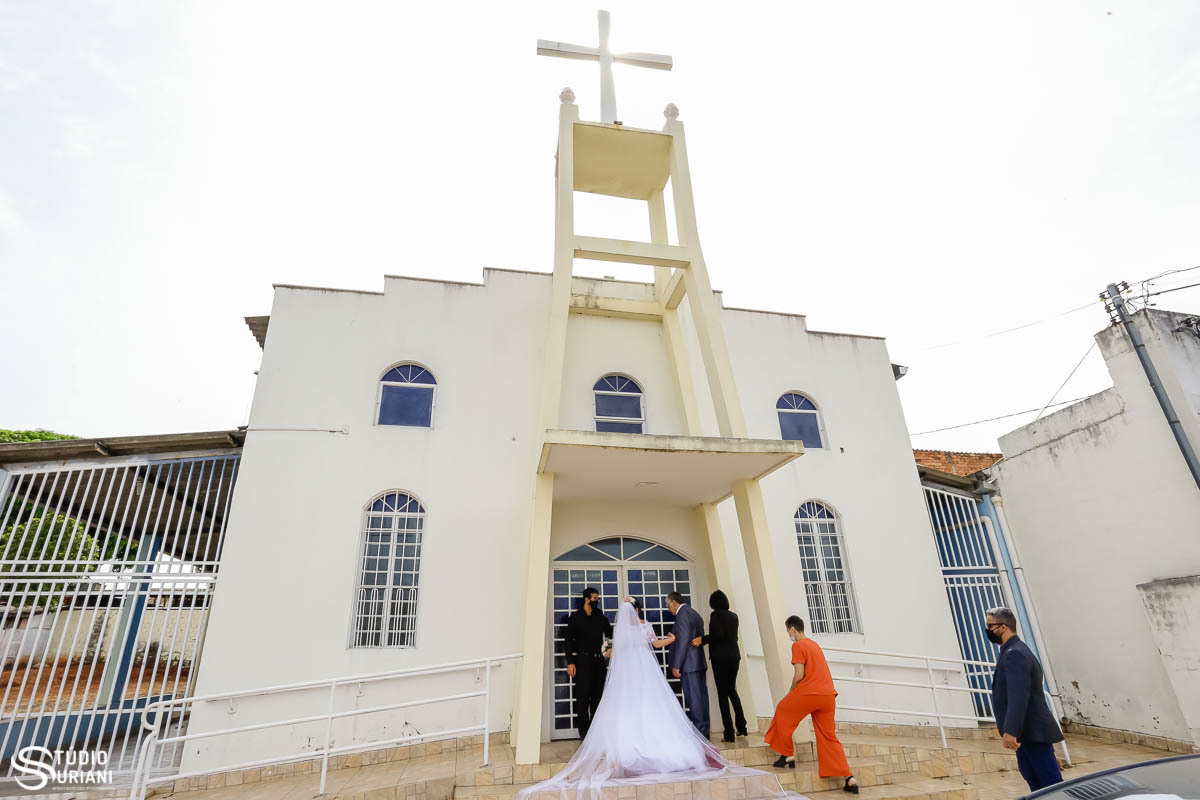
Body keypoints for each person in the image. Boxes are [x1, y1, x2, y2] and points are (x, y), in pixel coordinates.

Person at [764, 616, 858, 794]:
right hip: (828, 695)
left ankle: (787, 754)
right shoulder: (814, 645)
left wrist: (791, 691)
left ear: (792, 629)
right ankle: (849, 778)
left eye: (788, 632)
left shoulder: (798, 645)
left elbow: (799, 675)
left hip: (811, 692)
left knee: (783, 709)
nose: (789, 635)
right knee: (828, 736)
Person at [987, 606, 1064, 792]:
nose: (988, 631)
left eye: (990, 626)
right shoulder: (1012, 651)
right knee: (1036, 785)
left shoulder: (1015, 654)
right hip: (1026, 734)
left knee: (1050, 785)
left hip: (1032, 733)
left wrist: (1010, 730)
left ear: (1003, 627)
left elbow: (1018, 696)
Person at [691, 589, 748, 742]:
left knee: (722, 695)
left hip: (721, 659)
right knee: (732, 691)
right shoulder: (734, 616)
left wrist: (702, 639)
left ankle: (729, 733)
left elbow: (718, 635)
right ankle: (742, 727)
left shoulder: (715, 615)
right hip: (734, 657)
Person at [563, 587, 613, 739]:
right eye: (594, 598)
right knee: (583, 698)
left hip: (599, 661)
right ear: (586, 599)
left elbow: (610, 634)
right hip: (582, 661)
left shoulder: (599, 615)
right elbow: (568, 641)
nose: (597, 601)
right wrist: (570, 662)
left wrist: (609, 648)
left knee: (598, 697)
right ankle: (584, 735)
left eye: (597, 598)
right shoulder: (576, 617)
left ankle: (596, 733)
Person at [666, 592, 710, 739]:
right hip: (697, 662)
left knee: (694, 699)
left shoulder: (682, 615)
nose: (668, 609)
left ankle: (700, 733)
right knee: (701, 698)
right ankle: (704, 729)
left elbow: (684, 641)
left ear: (674, 602)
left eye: (668, 605)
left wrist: (676, 665)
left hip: (689, 665)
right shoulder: (694, 613)